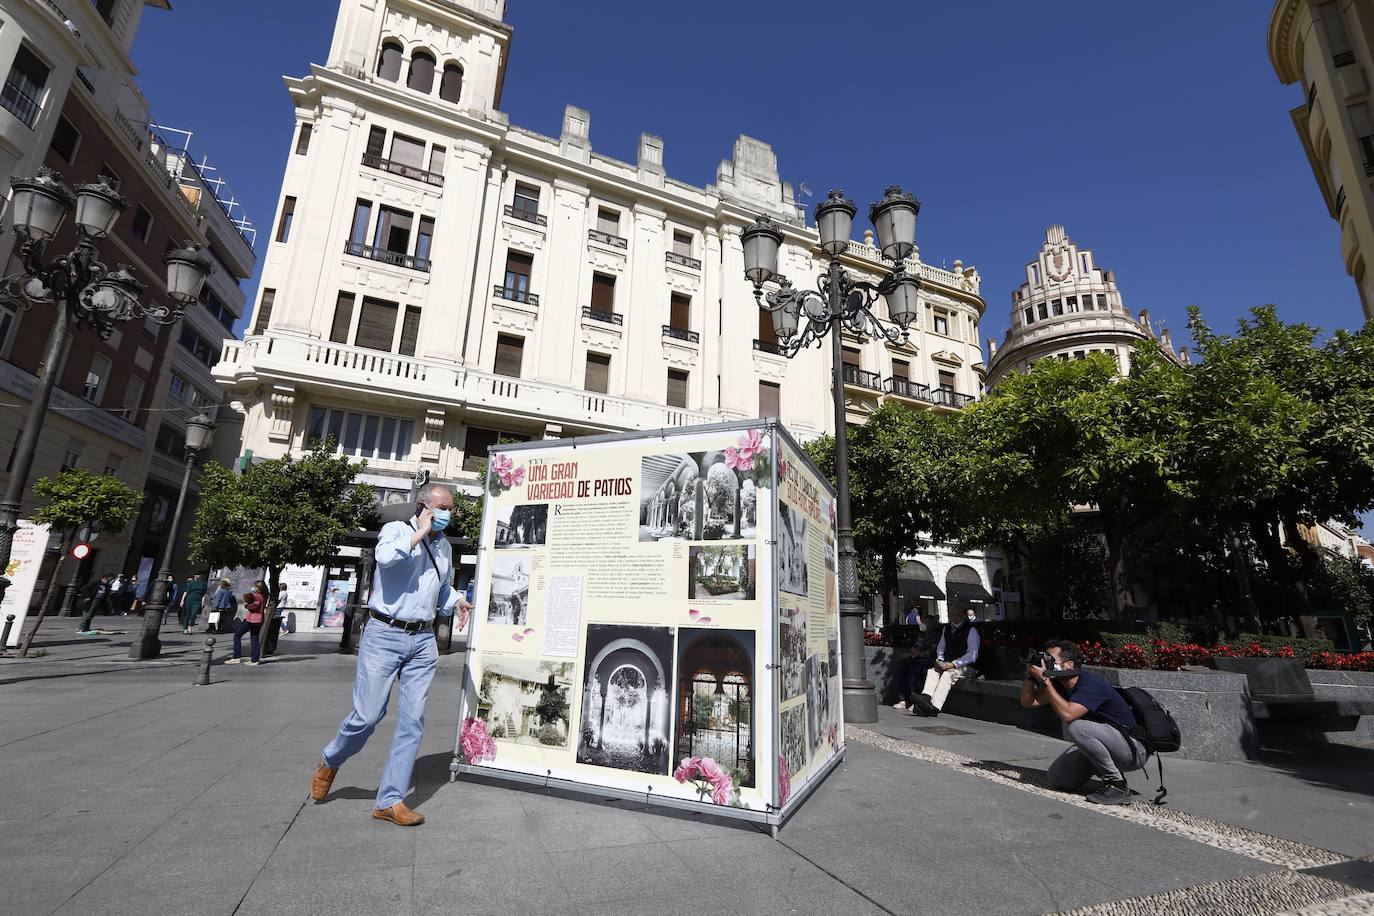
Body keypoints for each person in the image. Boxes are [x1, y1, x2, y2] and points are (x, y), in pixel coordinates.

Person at [311, 482, 472, 827]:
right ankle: (330, 758)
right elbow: (386, 559)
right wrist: (420, 534)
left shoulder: (443, 548)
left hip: (423, 640)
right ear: (424, 507)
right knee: (368, 716)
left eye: (451, 509)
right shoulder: (396, 531)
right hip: (384, 634)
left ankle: (390, 800)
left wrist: (455, 600)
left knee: (412, 721)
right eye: (443, 508)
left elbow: (439, 587)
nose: (449, 514)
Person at [1020, 639, 1146, 806]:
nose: (1045, 663)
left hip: (1132, 750)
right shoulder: (1060, 685)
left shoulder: (1090, 684)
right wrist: (1030, 677)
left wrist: (1045, 681)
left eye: (1050, 660)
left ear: (1068, 665)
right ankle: (1103, 768)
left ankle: (1117, 785)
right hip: (1105, 743)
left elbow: (1068, 714)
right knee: (1058, 779)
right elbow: (1029, 702)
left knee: (1077, 726)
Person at [908, 608, 980, 716]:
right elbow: (940, 648)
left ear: (962, 616)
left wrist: (954, 664)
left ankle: (934, 707)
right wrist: (940, 661)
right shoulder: (946, 629)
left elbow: (972, 655)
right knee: (933, 671)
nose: (954, 618)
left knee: (948, 675)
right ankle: (926, 698)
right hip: (948, 664)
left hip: (968, 667)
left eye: (957, 615)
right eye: (952, 615)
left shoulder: (971, 630)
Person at [892, 614, 939, 710]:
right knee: (901, 668)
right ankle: (904, 699)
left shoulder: (936, 636)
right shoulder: (921, 635)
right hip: (916, 658)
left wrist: (919, 654)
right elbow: (915, 648)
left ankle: (915, 701)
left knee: (915, 671)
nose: (924, 624)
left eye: (927, 622)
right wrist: (909, 655)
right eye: (924, 622)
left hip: (928, 660)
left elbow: (933, 652)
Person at [227, 582, 268, 666]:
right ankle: (255, 660)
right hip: (258, 620)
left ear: (258, 588)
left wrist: (247, 605)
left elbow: (254, 607)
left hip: (252, 620)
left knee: (237, 635)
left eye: (255, 586)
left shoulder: (257, 596)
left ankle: (236, 657)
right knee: (254, 638)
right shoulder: (263, 596)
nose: (253, 587)